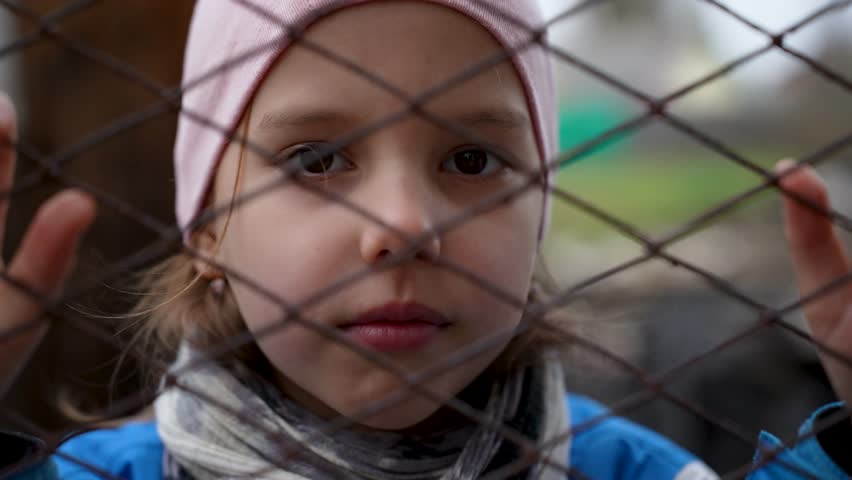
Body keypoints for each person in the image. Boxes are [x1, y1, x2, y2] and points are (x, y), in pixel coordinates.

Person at [0, 1, 850, 479]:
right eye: (318, 158)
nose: (405, 226)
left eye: (473, 159)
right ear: (211, 227)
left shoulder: (623, 470)